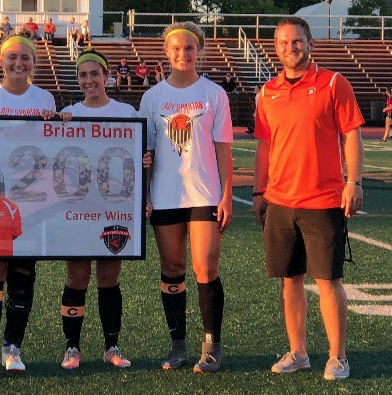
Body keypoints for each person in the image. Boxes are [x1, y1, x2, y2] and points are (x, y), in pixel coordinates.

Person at [252, 16, 364, 381]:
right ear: (276, 48)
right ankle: (298, 352)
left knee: (328, 280)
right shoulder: (267, 92)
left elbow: (351, 134)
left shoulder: (334, 83)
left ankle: (337, 356)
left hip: (323, 199)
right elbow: (265, 147)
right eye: (283, 43)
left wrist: (355, 181)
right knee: (290, 280)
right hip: (280, 201)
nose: (290, 48)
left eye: (296, 41)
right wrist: (258, 191)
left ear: (309, 43)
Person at [139, 21, 233, 374]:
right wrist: (143, 197)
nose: (183, 54)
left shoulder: (214, 94)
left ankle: (211, 348)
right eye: (176, 48)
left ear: (199, 51)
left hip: (205, 195)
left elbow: (224, 152)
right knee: (172, 270)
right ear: (166, 52)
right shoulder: (152, 98)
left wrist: (225, 197)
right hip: (165, 196)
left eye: (189, 48)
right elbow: (144, 153)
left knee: (205, 269)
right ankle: (178, 346)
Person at [0, 31, 58, 380]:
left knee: (23, 275)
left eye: (25, 58)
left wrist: (61, 124)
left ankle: (12, 347)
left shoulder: (46, 99)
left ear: (34, 63)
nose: (18, 64)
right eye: (12, 57)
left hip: (31, 204)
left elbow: (52, 149)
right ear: (0, 61)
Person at [57, 48, 142, 370]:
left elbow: (139, 160)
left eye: (95, 74)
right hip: (78, 208)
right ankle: (72, 348)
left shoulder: (126, 112)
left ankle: (111, 345)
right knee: (76, 278)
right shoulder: (68, 112)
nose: (89, 80)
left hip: (114, 209)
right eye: (83, 75)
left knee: (109, 279)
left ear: (106, 76)